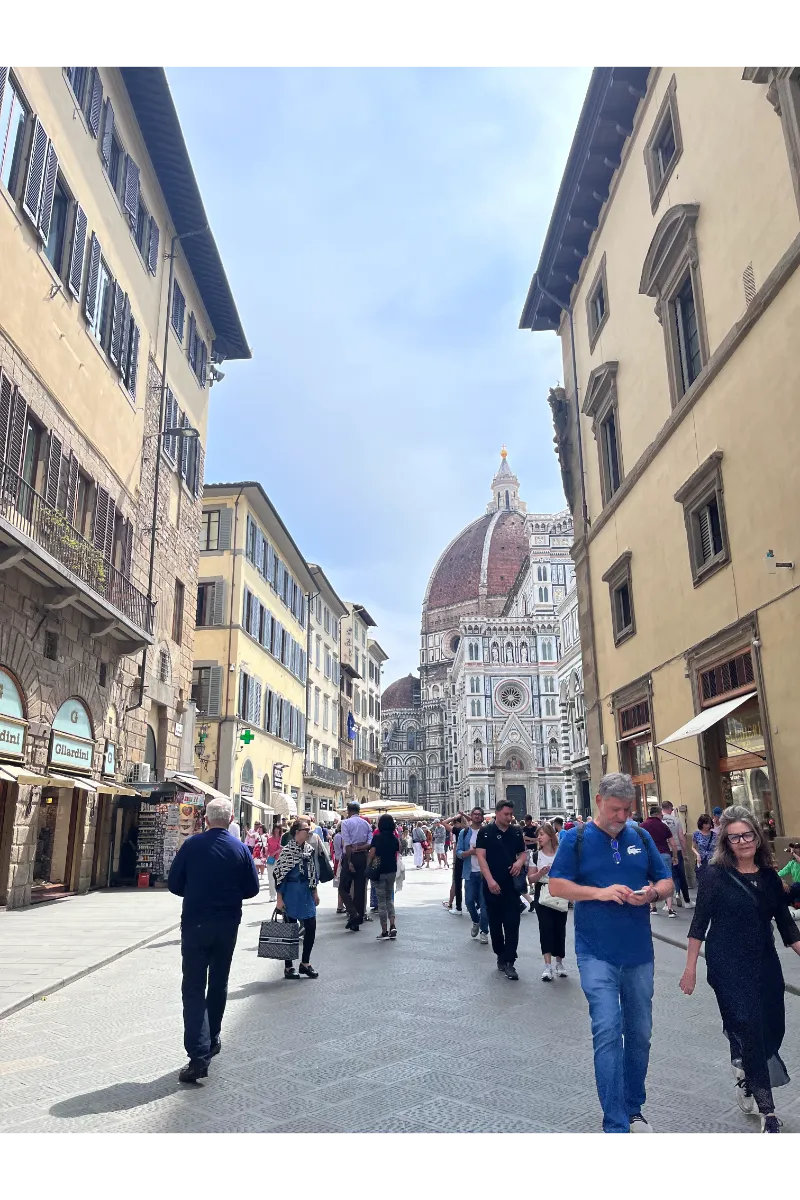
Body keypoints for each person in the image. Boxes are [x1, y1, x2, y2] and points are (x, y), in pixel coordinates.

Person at [548, 772, 673, 1136]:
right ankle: (615, 1123)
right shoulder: (576, 838)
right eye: (616, 809)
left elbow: (665, 880)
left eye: (628, 809)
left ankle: (634, 1108)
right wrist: (599, 893)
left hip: (638, 953)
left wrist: (652, 894)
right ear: (599, 802)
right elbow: (557, 885)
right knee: (606, 1030)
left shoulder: (642, 836)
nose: (623, 816)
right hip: (595, 952)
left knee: (640, 1033)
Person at [679, 806, 800, 1136]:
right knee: (749, 1026)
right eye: (735, 837)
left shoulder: (770, 877)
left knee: (772, 1028)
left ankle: (745, 1065)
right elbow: (698, 924)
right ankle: (769, 1112)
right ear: (726, 842)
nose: (743, 841)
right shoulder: (715, 876)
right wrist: (690, 969)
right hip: (726, 962)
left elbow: (788, 928)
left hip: (764, 961)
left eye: (748, 835)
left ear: (757, 838)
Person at [167, 798, 260, 1083]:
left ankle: (198, 1055)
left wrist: (196, 891)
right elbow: (252, 889)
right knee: (218, 982)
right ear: (231, 818)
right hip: (227, 923)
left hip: (195, 922)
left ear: (205, 819)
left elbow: (174, 884)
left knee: (193, 987)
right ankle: (214, 1037)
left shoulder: (191, 846)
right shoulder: (240, 849)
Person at [476, 799, 527, 980]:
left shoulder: (515, 832)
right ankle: (500, 953)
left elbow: (523, 852)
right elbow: (481, 857)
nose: (509, 817)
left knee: (513, 924)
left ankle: (510, 962)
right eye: (506, 814)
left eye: (511, 814)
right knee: (495, 925)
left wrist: (520, 862)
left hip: (511, 886)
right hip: (492, 886)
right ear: (497, 813)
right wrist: (489, 880)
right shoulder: (485, 832)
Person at [274, 820, 320, 980]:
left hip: (306, 892)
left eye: (309, 830)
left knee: (311, 926)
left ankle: (305, 963)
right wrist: (279, 899)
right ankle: (288, 966)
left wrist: (315, 891)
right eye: (305, 830)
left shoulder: (309, 849)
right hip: (291, 892)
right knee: (290, 930)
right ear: (296, 832)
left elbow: (313, 871)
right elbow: (279, 875)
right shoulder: (287, 852)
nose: (308, 832)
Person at [529, 823, 568, 981]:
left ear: (550, 836)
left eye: (542, 834)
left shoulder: (561, 854)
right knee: (546, 928)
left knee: (560, 928)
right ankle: (548, 966)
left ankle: (559, 962)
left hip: (559, 892)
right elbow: (530, 879)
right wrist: (540, 873)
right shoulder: (535, 856)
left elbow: (570, 873)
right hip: (542, 892)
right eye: (538, 834)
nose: (539, 837)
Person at [339, 801, 372, 931]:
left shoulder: (346, 823)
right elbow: (370, 843)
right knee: (360, 888)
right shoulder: (367, 824)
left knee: (343, 887)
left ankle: (353, 912)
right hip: (363, 857)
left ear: (349, 811)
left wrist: (349, 861)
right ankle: (356, 921)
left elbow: (347, 843)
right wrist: (360, 847)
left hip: (351, 856)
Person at [640, 804, 678, 918]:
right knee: (667, 879)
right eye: (661, 815)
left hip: (649, 856)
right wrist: (675, 856)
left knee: (651, 880)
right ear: (657, 814)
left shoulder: (642, 826)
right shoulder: (663, 826)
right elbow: (673, 843)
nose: (662, 816)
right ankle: (670, 908)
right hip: (664, 854)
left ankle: (653, 907)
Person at [458, 807, 489, 944]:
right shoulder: (464, 833)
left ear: (482, 817)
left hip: (485, 873)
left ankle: (484, 931)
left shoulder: (487, 832)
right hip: (470, 872)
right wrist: (469, 853)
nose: (477, 816)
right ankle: (476, 921)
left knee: (484, 904)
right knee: (469, 901)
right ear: (471, 816)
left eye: (479, 814)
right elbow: (459, 852)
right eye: (474, 814)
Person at [369, 814, 400, 940]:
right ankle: (393, 924)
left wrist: (369, 865)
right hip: (392, 870)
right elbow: (398, 850)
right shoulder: (394, 838)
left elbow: (372, 854)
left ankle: (384, 931)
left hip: (380, 871)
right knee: (389, 899)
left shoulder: (377, 837)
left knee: (381, 901)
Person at [660, 800, 692, 909]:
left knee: (668, 876)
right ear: (670, 809)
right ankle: (687, 900)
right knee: (681, 875)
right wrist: (684, 852)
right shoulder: (676, 820)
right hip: (677, 849)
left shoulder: (659, 821)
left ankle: (667, 902)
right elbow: (681, 837)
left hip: (664, 850)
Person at [442, 813, 467, 912]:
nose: (453, 824)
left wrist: (453, 817)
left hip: (459, 858)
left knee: (456, 882)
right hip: (469, 858)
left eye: (454, 823)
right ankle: (475, 905)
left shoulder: (458, 830)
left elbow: (444, 822)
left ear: (458, 822)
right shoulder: (469, 829)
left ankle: (454, 904)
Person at [778, 841, 800, 916]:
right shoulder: (792, 863)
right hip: (796, 888)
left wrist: (793, 853)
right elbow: (779, 874)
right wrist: (782, 882)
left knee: (796, 885)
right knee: (784, 888)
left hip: (797, 886)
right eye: (794, 848)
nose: (795, 850)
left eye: (797, 848)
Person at [692, 815, 716, 883]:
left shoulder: (714, 835)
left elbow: (717, 848)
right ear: (701, 823)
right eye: (705, 823)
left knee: (712, 881)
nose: (707, 826)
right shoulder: (696, 834)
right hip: (701, 860)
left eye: (709, 823)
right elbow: (693, 847)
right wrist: (697, 855)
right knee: (701, 881)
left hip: (712, 861)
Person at [265, 822, 283, 902]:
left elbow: (283, 848)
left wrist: (276, 852)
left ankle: (279, 894)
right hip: (271, 860)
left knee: (279, 878)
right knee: (271, 878)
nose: (276, 830)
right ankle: (272, 895)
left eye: (278, 829)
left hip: (280, 860)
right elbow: (267, 849)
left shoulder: (282, 838)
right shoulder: (270, 839)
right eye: (275, 829)